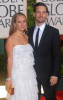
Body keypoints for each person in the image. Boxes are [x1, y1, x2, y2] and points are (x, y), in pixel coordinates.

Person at [28, 2, 60, 100]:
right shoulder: (27, 31)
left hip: (48, 75)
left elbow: (57, 55)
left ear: (47, 14)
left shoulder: (53, 32)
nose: (41, 15)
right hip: (31, 74)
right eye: (38, 12)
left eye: (43, 12)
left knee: (50, 98)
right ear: (34, 14)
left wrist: (55, 74)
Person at [5, 12, 38, 100]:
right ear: (15, 24)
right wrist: (9, 78)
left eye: (24, 21)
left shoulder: (26, 37)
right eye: (19, 22)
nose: (22, 24)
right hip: (18, 75)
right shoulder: (10, 39)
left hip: (30, 73)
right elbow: (10, 59)